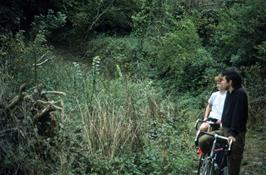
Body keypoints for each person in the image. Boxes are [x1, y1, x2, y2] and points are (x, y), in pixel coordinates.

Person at [199, 68, 248, 175]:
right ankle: (214, 163)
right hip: (223, 129)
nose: (221, 82)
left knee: (233, 166)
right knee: (203, 140)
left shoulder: (240, 94)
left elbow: (238, 116)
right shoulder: (230, 92)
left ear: (230, 82)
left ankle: (224, 166)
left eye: (223, 80)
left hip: (236, 135)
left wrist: (232, 134)